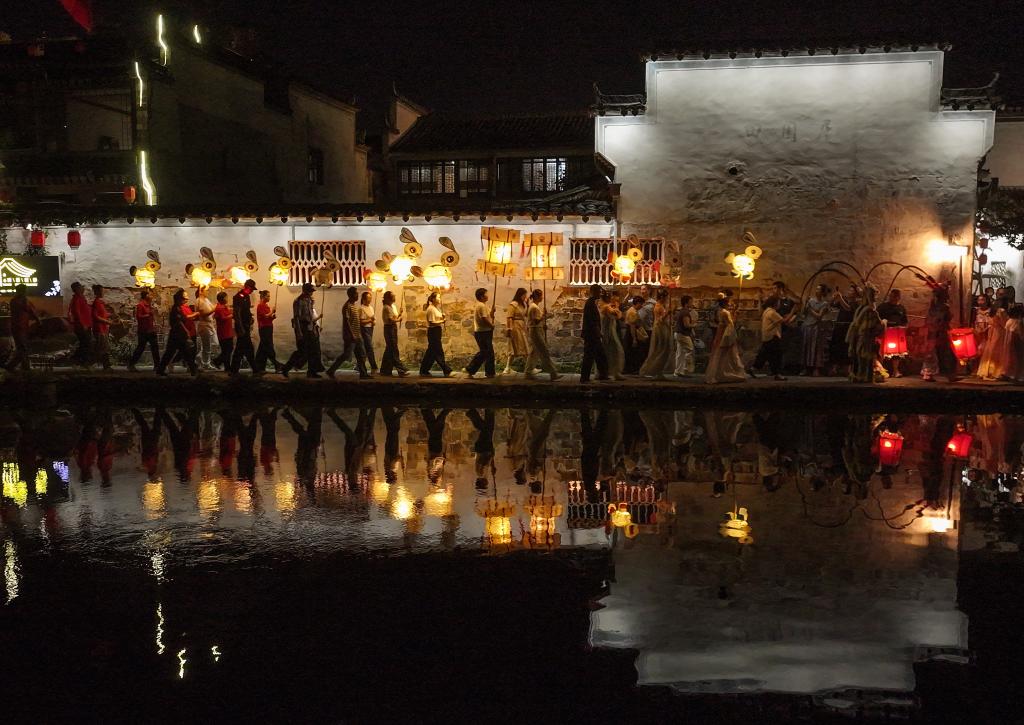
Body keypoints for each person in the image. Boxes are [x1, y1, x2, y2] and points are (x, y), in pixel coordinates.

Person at [748, 296, 797, 380]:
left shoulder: (767, 311)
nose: (779, 305)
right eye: (778, 303)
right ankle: (778, 374)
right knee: (777, 355)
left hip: (767, 336)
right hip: (772, 336)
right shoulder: (772, 313)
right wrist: (793, 311)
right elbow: (784, 321)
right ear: (774, 303)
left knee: (764, 355)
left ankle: (753, 368)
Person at [281, 283, 324, 378]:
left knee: (313, 350)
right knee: (302, 351)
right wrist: (299, 332)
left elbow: (310, 315)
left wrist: (315, 325)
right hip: (302, 327)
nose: (311, 293)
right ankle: (286, 368)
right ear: (305, 291)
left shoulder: (309, 300)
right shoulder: (298, 301)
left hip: (310, 327)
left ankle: (312, 371)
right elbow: (297, 317)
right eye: (310, 291)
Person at [328, 286, 372, 378]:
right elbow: (347, 322)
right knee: (346, 355)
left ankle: (363, 374)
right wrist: (352, 334)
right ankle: (331, 370)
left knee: (361, 354)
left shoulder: (354, 306)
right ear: (351, 295)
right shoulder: (347, 306)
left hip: (357, 335)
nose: (358, 295)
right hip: (351, 336)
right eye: (356, 294)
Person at [155, 288, 199, 376]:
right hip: (177, 335)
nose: (186, 299)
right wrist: (186, 331)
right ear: (179, 299)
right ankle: (193, 371)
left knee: (183, 353)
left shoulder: (179, 307)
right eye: (184, 298)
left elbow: (183, 320)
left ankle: (193, 371)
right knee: (179, 353)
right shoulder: (176, 309)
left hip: (178, 334)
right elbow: (180, 322)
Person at [846, 285, 884, 383]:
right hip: (863, 336)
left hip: (863, 336)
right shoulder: (865, 310)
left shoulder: (865, 310)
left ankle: (862, 376)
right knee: (862, 357)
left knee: (863, 357)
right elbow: (868, 325)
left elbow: (872, 325)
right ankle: (861, 375)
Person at [921, 286, 958, 383]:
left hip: (933, 333)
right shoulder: (942, 307)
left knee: (932, 353)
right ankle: (948, 375)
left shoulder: (933, 307)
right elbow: (943, 319)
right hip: (939, 333)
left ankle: (929, 373)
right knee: (945, 354)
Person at [705, 294, 746, 384]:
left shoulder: (721, 311)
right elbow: (730, 324)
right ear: (725, 303)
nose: (731, 304)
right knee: (725, 355)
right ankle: (723, 374)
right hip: (725, 334)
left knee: (719, 354)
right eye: (730, 302)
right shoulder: (725, 312)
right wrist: (735, 315)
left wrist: (734, 313)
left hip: (720, 333)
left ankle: (717, 374)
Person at [525, 289, 562, 381]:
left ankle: (528, 372)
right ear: (537, 297)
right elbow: (536, 321)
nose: (542, 297)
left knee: (534, 353)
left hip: (536, 330)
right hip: (535, 331)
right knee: (544, 351)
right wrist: (543, 315)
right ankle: (553, 373)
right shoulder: (534, 307)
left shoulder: (534, 306)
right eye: (541, 296)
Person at [462, 287, 495, 378]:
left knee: (488, 353)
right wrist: (491, 326)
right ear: (481, 296)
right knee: (485, 352)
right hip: (483, 332)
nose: (487, 295)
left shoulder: (483, 305)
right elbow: (484, 318)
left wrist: (492, 312)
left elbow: (488, 316)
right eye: (486, 294)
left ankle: (489, 373)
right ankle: (470, 369)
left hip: (484, 331)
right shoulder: (481, 306)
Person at [640, 288, 672, 379]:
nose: (666, 299)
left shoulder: (661, 305)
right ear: (662, 297)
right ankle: (654, 370)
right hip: (660, 329)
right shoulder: (658, 306)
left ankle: (659, 371)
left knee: (663, 349)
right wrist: (668, 313)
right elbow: (660, 320)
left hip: (663, 328)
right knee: (660, 349)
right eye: (666, 297)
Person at [876, 288, 909, 378]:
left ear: (899, 297)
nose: (892, 298)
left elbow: (905, 321)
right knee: (882, 352)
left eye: (895, 296)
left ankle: (895, 371)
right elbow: (876, 318)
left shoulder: (901, 308)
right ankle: (880, 371)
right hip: (885, 332)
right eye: (891, 296)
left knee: (897, 353)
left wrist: (904, 327)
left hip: (897, 333)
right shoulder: (883, 307)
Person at [417, 291, 450, 377]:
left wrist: (442, 316)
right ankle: (446, 370)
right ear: (433, 299)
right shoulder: (431, 309)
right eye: (438, 297)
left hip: (436, 331)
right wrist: (442, 321)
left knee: (431, 352)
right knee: (438, 351)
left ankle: (424, 370)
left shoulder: (435, 308)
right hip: (433, 331)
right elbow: (431, 322)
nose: (439, 299)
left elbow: (437, 319)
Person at [6, 284, 38, 372]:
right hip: (21, 328)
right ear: (23, 291)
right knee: (23, 348)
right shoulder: (23, 301)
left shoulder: (13, 300)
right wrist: (39, 321)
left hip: (15, 327)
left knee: (21, 347)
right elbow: (32, 311)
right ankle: (11, 366)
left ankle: (25, 367)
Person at [580, 283, 608, 383]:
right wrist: (598, 332)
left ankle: (602, 375)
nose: (600, 294)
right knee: (590, 356)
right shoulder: (590, 304)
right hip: (591, 335)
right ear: (593, 292)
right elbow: (592, 321)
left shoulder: (592, 303)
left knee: (599, 355)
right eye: (598, 292)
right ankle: (585, 378)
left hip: (592, 334)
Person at [828, 284, 858, 376]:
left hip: (848, 328)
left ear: (856, 294)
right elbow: (831, 305)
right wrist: (834, 297)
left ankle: (846, 369)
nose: (849, 292)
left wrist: (840, 298)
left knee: (846, 348)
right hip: (839, 327)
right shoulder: (844, 300)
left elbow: (848, 308)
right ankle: (834, 368)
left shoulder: (856, 303)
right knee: (836, 347)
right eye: (849, 290)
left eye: (852, 291)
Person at [801, 283, 830, 376]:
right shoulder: (810, 301)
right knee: (806, 347)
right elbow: (803, 313)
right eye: (816, 289)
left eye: (819, 289)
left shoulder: (824, 304)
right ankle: (805, 368)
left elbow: (819, 316)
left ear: (822, 292)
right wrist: (805, 304)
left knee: (816, 348)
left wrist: (810, 310)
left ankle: (816, 368)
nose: (816, 291)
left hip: (816, 327)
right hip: (807, 325)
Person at [128, 288, 159, 371]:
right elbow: (139, 316)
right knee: (141, 348)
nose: (151, 296)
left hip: (151, 330)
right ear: (146, 296)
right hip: (144, 331)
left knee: (155, 348)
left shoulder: (149, 305)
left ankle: (157, 366)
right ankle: (131, 364)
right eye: (150, 295)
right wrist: (148, 314)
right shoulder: (140, 305)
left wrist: (154, 324)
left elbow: (152, 317)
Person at [230, 279, 257, 375]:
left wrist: (250, 317)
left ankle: (234, 370)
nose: (252, 291)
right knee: (246, 348)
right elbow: (237, 313)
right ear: (248, 287)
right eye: (252, 289)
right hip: (241, 327)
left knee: (241, 348)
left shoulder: (247, 296)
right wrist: (241, 328)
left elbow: (246, 311)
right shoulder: (238, 297)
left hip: (245, 326)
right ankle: (255, 369)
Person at [379, 290, 408, 377]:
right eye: (393, 296)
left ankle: (385, 370)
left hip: (393, 328)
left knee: (389, 349)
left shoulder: (393, 306)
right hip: (389, 329)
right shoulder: (386, 307)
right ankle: (401, 369)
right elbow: (391, 320)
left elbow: (395, 317)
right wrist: (398, 319)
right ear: (388, 298)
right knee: (393, 349)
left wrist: (400, 314)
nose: (395, 297)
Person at [978, 302, 1009, 380]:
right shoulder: (1001, 311)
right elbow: (1004, 323)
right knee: (999, 350)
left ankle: (987, 370)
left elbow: (990, 321)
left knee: (991, 350)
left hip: (992, 331)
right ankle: (996, 371)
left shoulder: (992, 311)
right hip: (999, 332)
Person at [503, 288, 530, 375]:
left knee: (523, 346)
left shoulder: (523, 305)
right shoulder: (513, 304)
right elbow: (509, 317)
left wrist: (528, 304)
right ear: (520, 295)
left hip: (521, 326)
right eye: (524, 295)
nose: (525, 297)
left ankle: (508, 368)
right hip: (515, 326)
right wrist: (510, 328)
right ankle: (529, 368)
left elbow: (526, 315)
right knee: (514, 346)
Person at [600, 291, 626, 380]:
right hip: (608, 332)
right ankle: (614, 372)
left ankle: (611, 372)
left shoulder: (606, 306)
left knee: (610, 352)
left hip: (609, 331)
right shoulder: (606, 307)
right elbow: (618, 315)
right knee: (614, 351)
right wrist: (617, 307)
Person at [68, 281, 93, 368]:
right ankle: (78, 360)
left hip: (86, 325)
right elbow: (77, 313)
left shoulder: (81, 298)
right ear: (77, 289)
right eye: (81, 287)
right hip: (82, 326)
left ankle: (79, 361)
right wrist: (83, 324)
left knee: (85, 343)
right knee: (86, 343)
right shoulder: (77, 299)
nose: (83, 288)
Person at [254, 289, 280, 375]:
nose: (269, 297)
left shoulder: (266, 306)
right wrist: (271, 312)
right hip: (264, 329)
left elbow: (268, 318)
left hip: (268, 328)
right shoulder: (260, 306)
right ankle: (277, 365)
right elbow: (264, 316)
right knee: (268, 347)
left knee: (263, 348)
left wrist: (272, 317)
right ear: (263, 296)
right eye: (268, 296)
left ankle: (259, 367)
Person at [90, 284, 112, 370]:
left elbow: (103, 314)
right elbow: (95, 316)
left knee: (103, 347)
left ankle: (106, 365)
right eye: (102, 291)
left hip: (103, 328)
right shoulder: (96, 302)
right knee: (102, 347)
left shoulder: (100, 302)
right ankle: (94, 363)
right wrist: (108, 322)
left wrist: (111, 315)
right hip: (99, 328)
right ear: (97, 292)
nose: (103, 292)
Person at [210, 291, 235, 369]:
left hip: (228, 331)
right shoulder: (219, 308)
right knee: (228, 349)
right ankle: (217, 361)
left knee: (227, 350)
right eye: (226, 297)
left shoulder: (223, 307)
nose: (227, 299)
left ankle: (226, 366)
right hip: (224, 332)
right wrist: (232, 315)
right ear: (223, 298)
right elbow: (223, 318)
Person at [673, 295, 696, 377]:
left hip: (678, 333)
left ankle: (678, 371)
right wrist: (694, 325)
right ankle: (686, 370)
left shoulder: (681, 311)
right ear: (686, 303)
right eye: (691, 302)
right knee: (690, 350)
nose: (692, 303)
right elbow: (686, 325)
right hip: (683, 334)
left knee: (680, 353)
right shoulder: (685, 312)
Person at [1000, 304, 1024, 381]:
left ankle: (1007, 373)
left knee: (1009, 358)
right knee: (1018, 359)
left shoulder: (1009, 321)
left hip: (1008, 343)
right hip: (1016, 342)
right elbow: (1020, 334)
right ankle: (1016, 375)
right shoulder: (1018, 322)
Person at [624, 295, 648, 374]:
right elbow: (632, 326)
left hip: (631, 332)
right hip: (631, 333)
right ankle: (632, 369)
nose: (641, 306)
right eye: (641, 304)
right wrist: (634, 339)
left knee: (631, 351)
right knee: (632, 352)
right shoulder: (633, 312)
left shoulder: (631, 310)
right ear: (637, 303)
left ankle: (631, 369)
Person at [194, 287, 216, 370]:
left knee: (214, 344)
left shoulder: (206, 300)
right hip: (204, 326)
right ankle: (206, 363)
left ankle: (199, 358)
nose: (208, 292)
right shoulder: (199, 301)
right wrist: (214, 309)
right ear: (201, 292)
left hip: (210, 325)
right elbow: (203, 314)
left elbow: (212, 309)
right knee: (207, 346)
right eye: (206, 290)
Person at [359, 290, 378, 373]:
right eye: (368, 298)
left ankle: (358, 366)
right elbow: (361, 322)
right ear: (363, 299)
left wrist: (373, 322)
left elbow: (372, 319)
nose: (370, 300)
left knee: (366, 348)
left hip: (370, 329)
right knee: (369, 348)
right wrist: (370, 320)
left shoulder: (371, 308)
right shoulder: (361, 308)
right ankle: (374, 367)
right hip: (364, 329)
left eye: (370, 298)